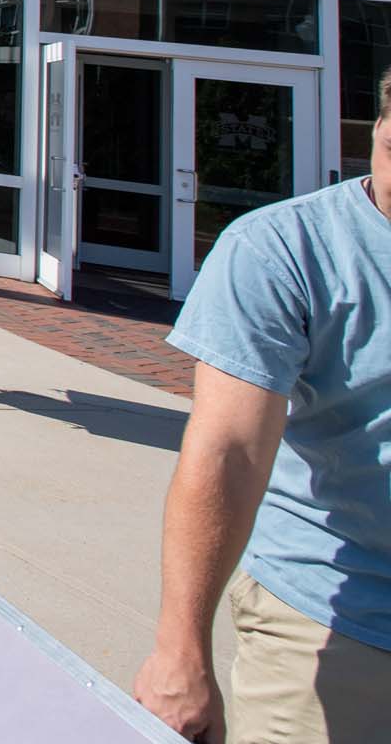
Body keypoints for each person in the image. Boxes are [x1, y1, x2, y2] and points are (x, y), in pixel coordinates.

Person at [130, 66, 391, 741]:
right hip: (336, 618)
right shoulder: (283, 251)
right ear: (378, 130)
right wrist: (180, 651)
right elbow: (229, 452)